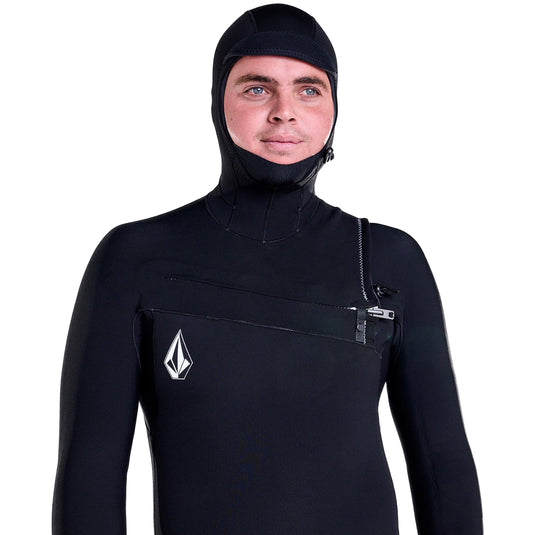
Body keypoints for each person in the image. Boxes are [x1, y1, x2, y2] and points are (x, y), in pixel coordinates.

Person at [52, 4, 483, 534]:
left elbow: (444, 467)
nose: (284, 112)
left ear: (333, 109)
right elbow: (89, 481)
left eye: (309, 89)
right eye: (257, 89)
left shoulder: (389, 261)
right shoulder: (137, 258)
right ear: (219, 101)